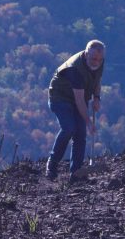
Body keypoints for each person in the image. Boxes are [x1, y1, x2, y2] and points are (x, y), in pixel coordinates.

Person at [45, 40, 104, 182]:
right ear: (86, 53)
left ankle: (76, 173)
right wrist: (89, 122)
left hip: (79, 96)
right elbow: (79, 100)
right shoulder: (74, 69)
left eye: (99, 59)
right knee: (69, 128)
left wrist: (97, 97)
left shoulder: (100, 60)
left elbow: (97, 79)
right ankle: (52, 165)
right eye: (93, 59)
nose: (96, 62)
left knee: (80, 134)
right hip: (60, 97)